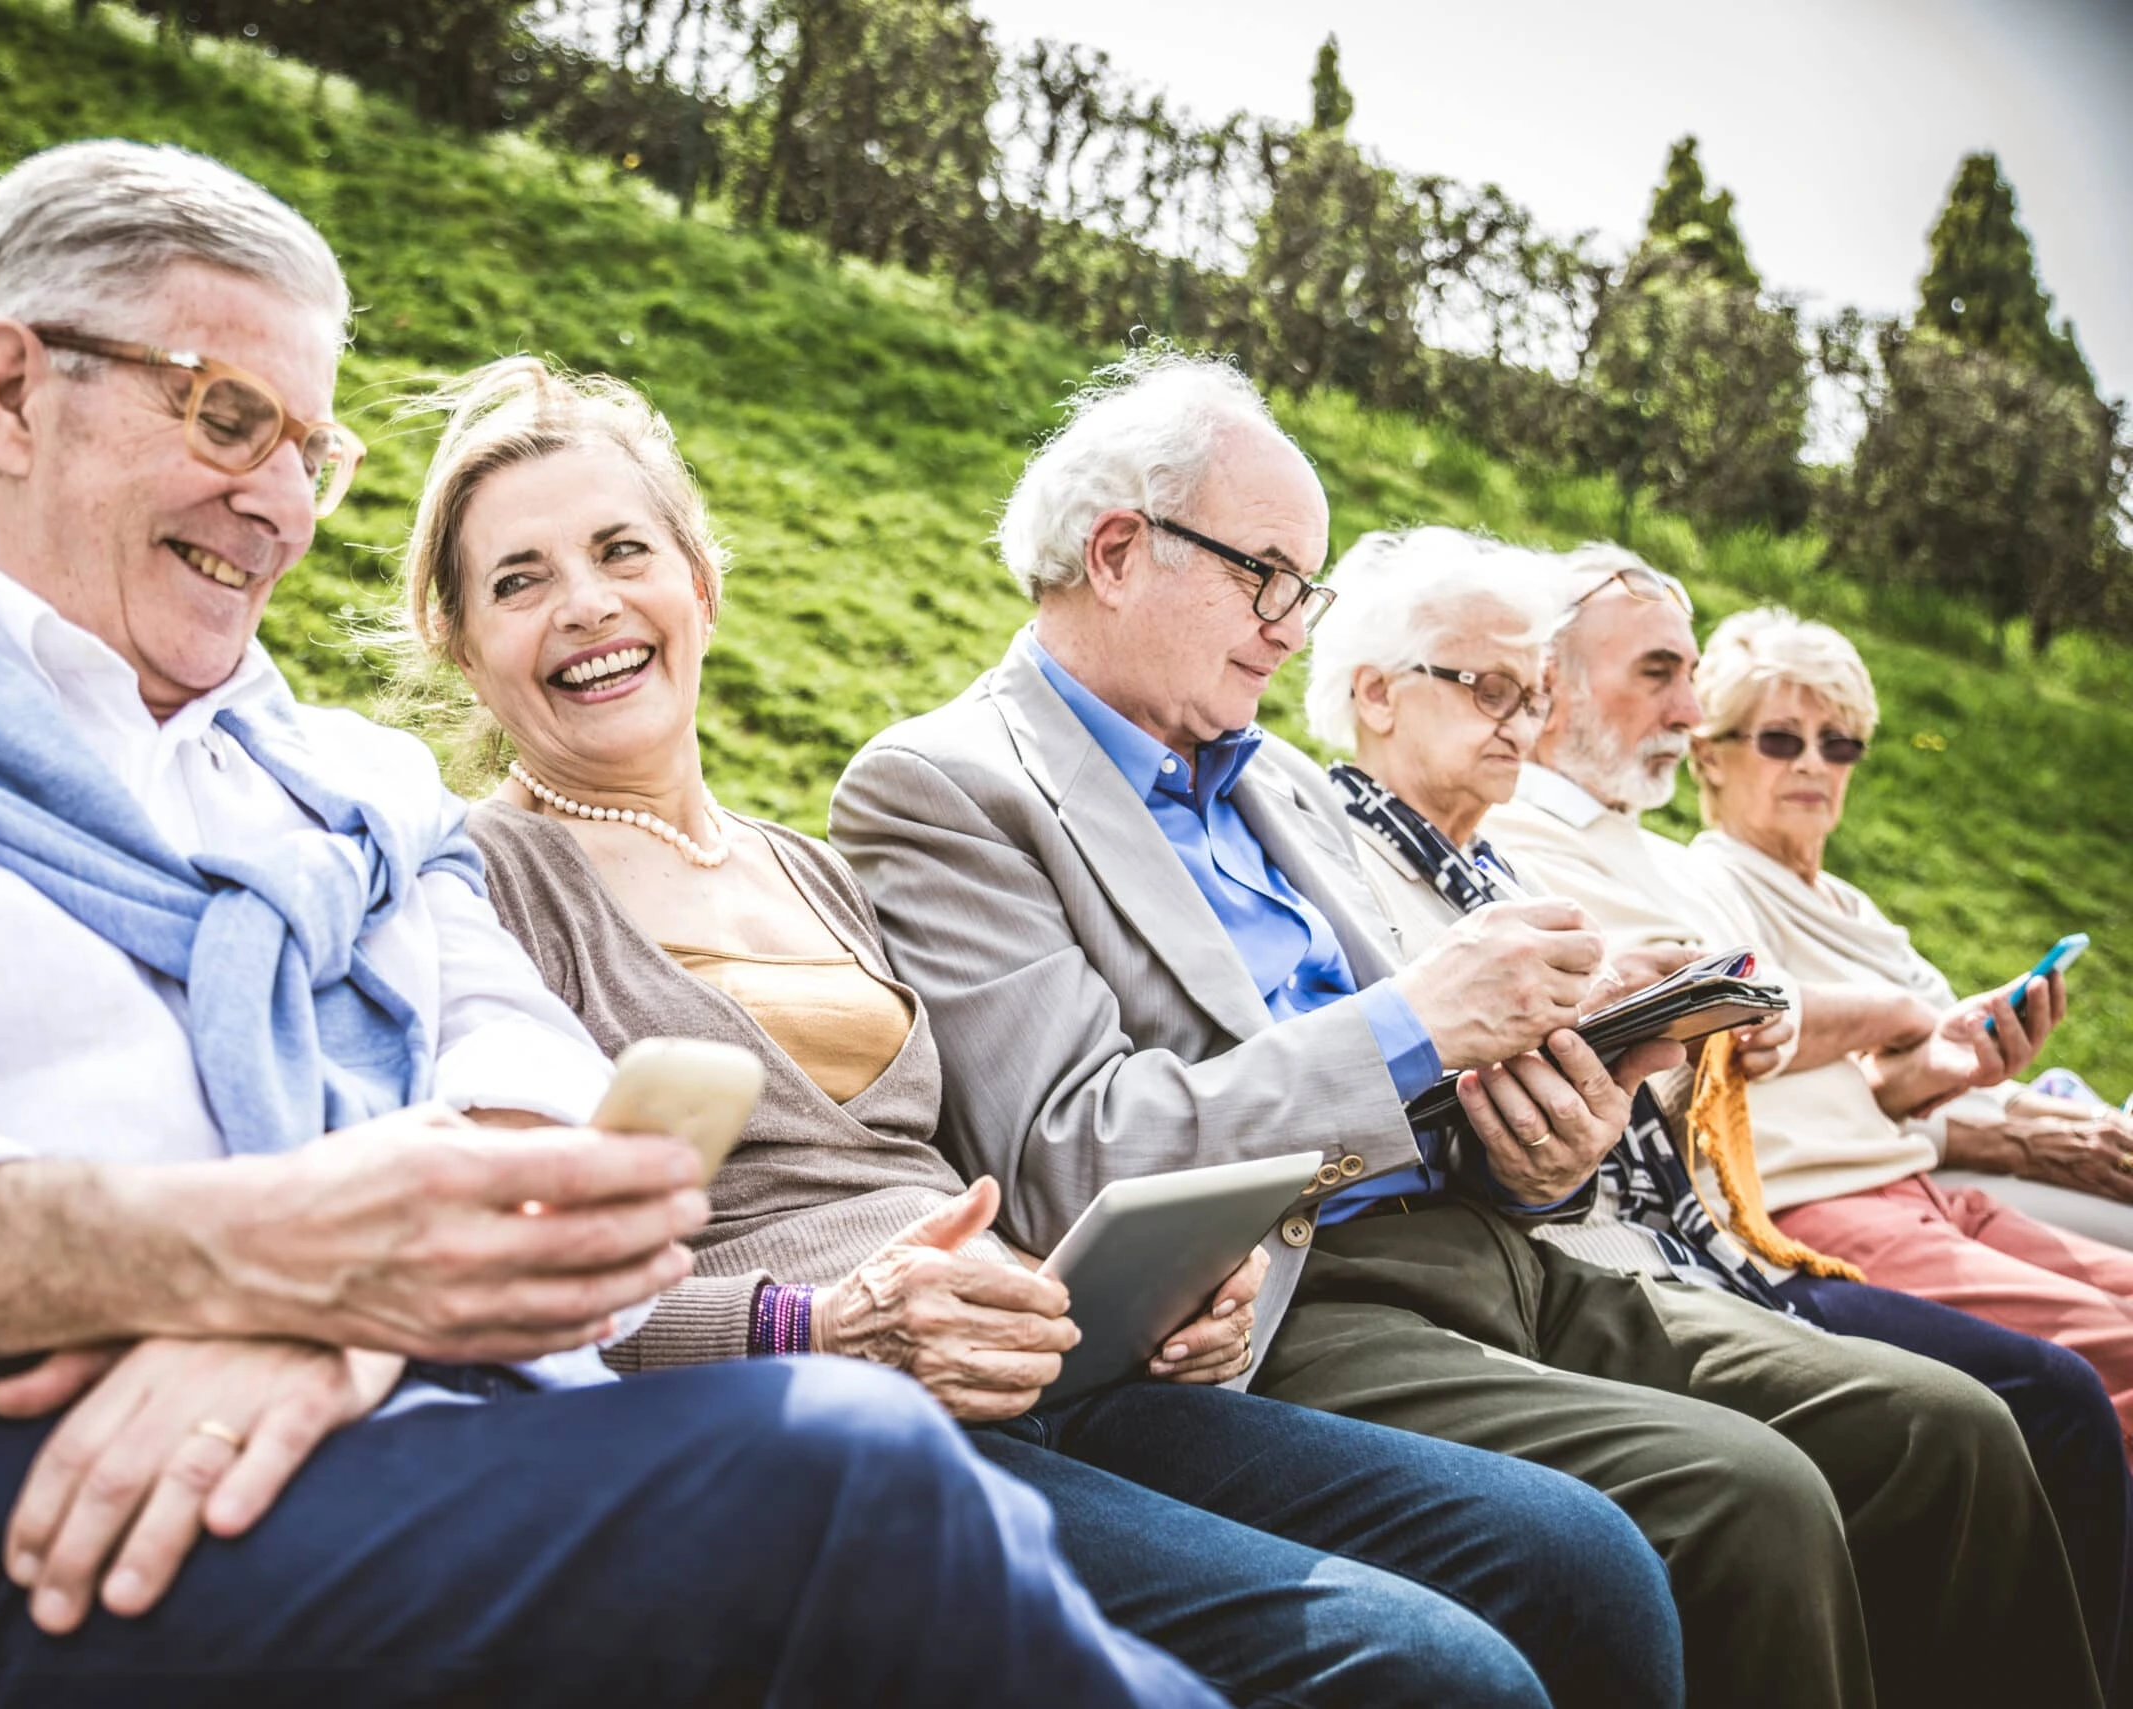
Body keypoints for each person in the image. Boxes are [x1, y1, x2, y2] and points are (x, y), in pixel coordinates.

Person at [0, 140, 1221, 1709]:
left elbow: (531, 1087)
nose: (278, 501)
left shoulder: (347, 788)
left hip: (401, 1428)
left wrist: (335, 1325)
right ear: (14, 390)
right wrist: (274, 1265)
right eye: (230, 416)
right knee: (849, 1477)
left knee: (905, 1506)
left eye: (313, 449)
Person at [397, 355, 1682, 1709]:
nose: (588, 604)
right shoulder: (482, 886)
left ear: (699, 581)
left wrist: (1165, 1289)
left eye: (620, 550)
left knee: (1580, 1559)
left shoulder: (810, 867)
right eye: (519, 581)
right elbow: (500, 1302)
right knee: (1423, 1671)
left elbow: (994, 1165)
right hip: (819, 1411)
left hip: (1041, 1372)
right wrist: (817, 1322)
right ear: (464, 643)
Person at [831, 345, 2103, 1709]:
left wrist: (1554, 1123)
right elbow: (1074, 1150)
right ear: (1123, 550)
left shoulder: (1276, 786)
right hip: (1293, 1297)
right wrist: (1417, 1022)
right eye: (1267, 574)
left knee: (1949, 1429)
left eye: (1305, 589)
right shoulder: (950, 788)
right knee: (1749, 1497)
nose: (1291, 623)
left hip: (1509, 1248)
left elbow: (1455, 1085)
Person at [1308, 525, 2133, 1703]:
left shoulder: (1499, 863)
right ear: (1374, 696)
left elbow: (1570, 1133)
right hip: (1608, 1245)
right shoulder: (1335, 848)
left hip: (1660, 1234)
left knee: (1960, 1421)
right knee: (1900, 1442)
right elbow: (1371, 1093)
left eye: (1530, 689)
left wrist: (1660, 1037)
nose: (1519, 716)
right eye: (1490, 685)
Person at [1678, 607, 2133, 1436]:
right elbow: (1743, 1032)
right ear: (1708, 752)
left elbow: (1880, 1088)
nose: (1815, 763)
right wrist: (1907, 1020)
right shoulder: (1706, 883)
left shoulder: (1856, 909)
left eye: (1839, 742)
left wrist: (1956, 1066)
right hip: (1826, 1206)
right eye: (1781, 740)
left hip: (1917, 1184)